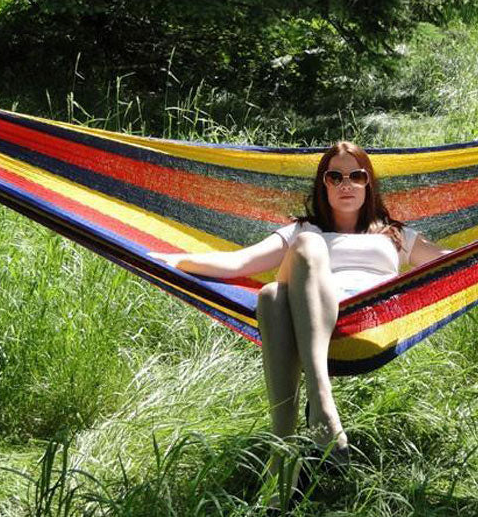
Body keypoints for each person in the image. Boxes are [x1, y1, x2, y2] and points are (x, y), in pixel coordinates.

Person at [148, 141, 452, 508]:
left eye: (356, 175)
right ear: (323, 184)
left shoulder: (395, 235)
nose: (346, 184)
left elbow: (451, 262)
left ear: (368, 182)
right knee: (298, 257)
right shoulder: (302, 230)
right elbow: (236, 263)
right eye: (335, 176)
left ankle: (287, 453)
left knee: (272, 295)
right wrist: (172, 259)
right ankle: (312, 417)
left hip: (364, 320)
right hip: (310, 315)